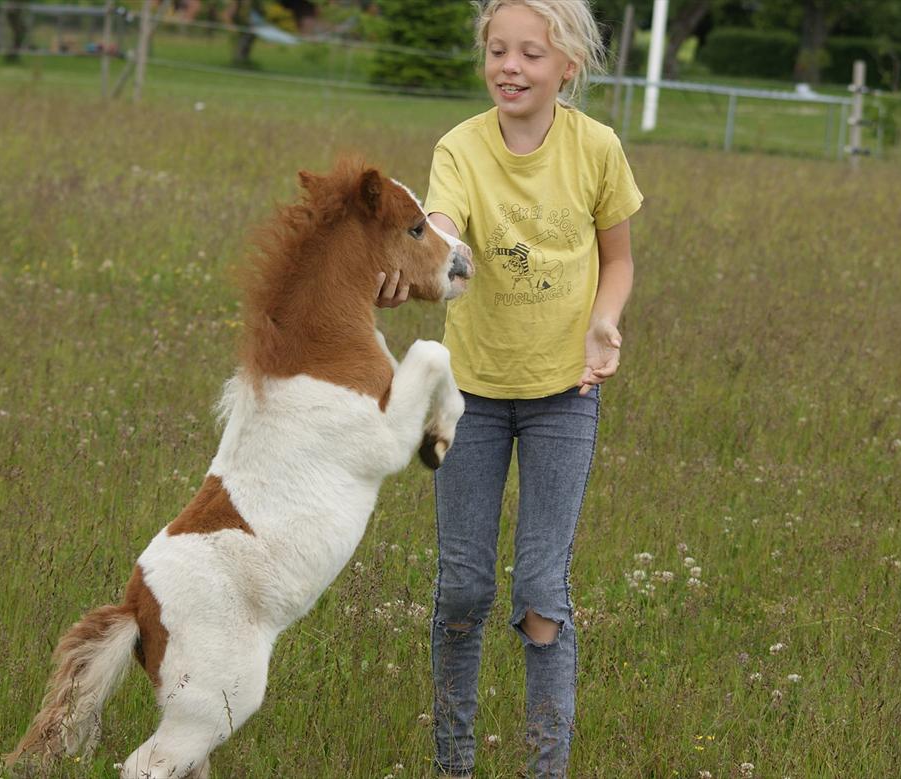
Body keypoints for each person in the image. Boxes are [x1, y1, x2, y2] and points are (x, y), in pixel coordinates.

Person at [377, 1, 643, 775]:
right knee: (462, 585)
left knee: (539, 588)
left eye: (531, 53)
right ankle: (452, 761)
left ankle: (543, 765)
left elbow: (618, 259)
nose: (511, 67)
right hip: (471, 399)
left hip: (567, 391)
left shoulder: (597, 148)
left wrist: (606, 322)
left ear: (569, 66)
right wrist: (423, 257)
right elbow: (446, 224)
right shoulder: (459, 146)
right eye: (498, 50)